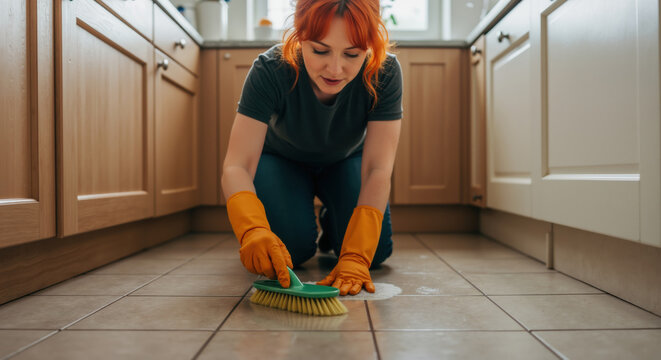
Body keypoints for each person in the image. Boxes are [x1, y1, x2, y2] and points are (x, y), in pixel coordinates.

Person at [222, 0, 402, 296]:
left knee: (376, 253)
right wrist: (252, 229)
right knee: (289, 250)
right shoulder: (271, 69)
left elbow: (377, 169)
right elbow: (236, 165)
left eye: (352, 54)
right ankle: (309, 218)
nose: (335, 68)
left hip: (346, 160)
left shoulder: (385, 72)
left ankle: (334, 223)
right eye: (320, 50)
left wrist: (356, 255)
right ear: (300, 37)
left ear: (369, 48)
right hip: (281, 159)